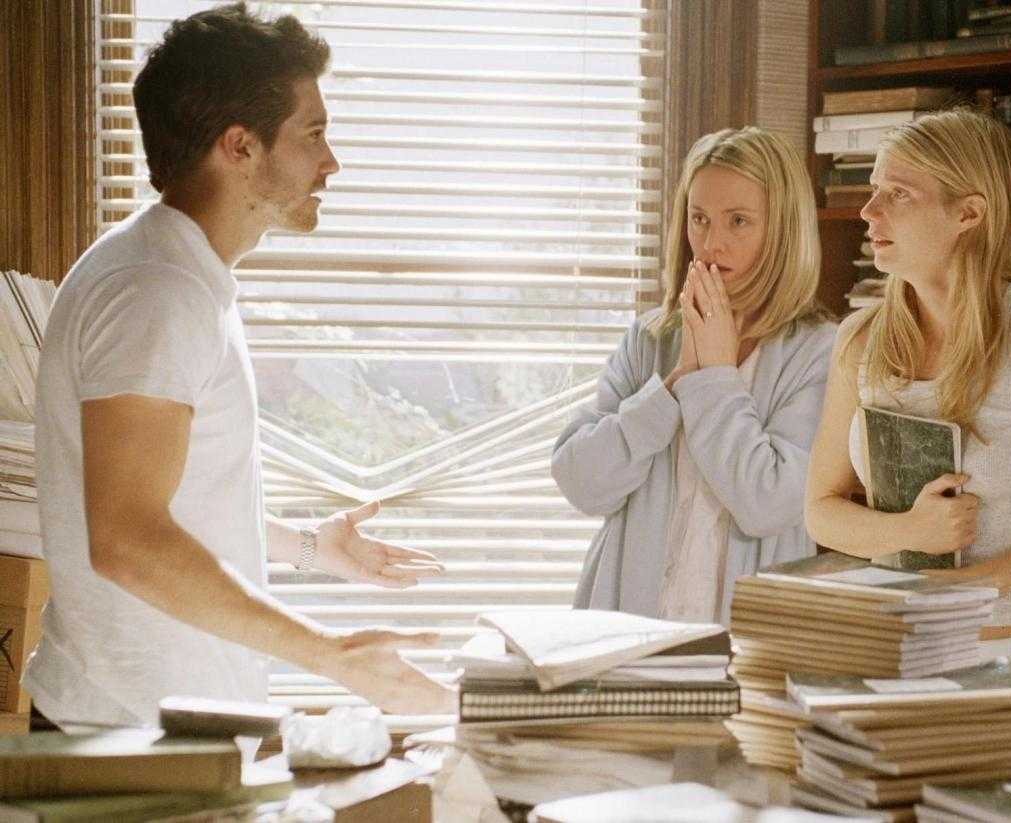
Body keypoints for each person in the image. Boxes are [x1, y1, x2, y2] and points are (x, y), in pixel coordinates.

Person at [26, 2, 454, 727]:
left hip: (160, 727)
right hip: (129, 736)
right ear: (240, 146)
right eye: (313, 134)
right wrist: (336, 656)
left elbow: (169, 500)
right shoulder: (157, 292)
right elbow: (128, 539)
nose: (331, 162)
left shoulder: (174, 273)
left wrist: (307, 548)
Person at [804, 109, 1011, 702]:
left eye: (898, 194)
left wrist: (968, 587)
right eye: (874, 189)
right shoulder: (859, 340)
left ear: (969, 213)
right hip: (893, 664)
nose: (869, 210)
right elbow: (820, 510)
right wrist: (907, 530)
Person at [552, 126, 836, 625]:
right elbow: (581, 482)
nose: (710, 244)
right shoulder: (650, 339)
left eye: (738, 221)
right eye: (699, 218)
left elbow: (767, 503)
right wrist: (671, 386)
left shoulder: (821, 352)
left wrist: (714, 378)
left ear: (782, 230)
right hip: (624, 635)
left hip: (746, 642)